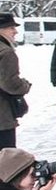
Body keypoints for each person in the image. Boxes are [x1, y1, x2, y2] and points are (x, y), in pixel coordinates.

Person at [0, 14, 30, 150]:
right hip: (2, 117)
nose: (15, 31)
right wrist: (24, 86)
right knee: (7, 159)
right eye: (11, 27)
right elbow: (10, 83)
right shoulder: (6, 52)